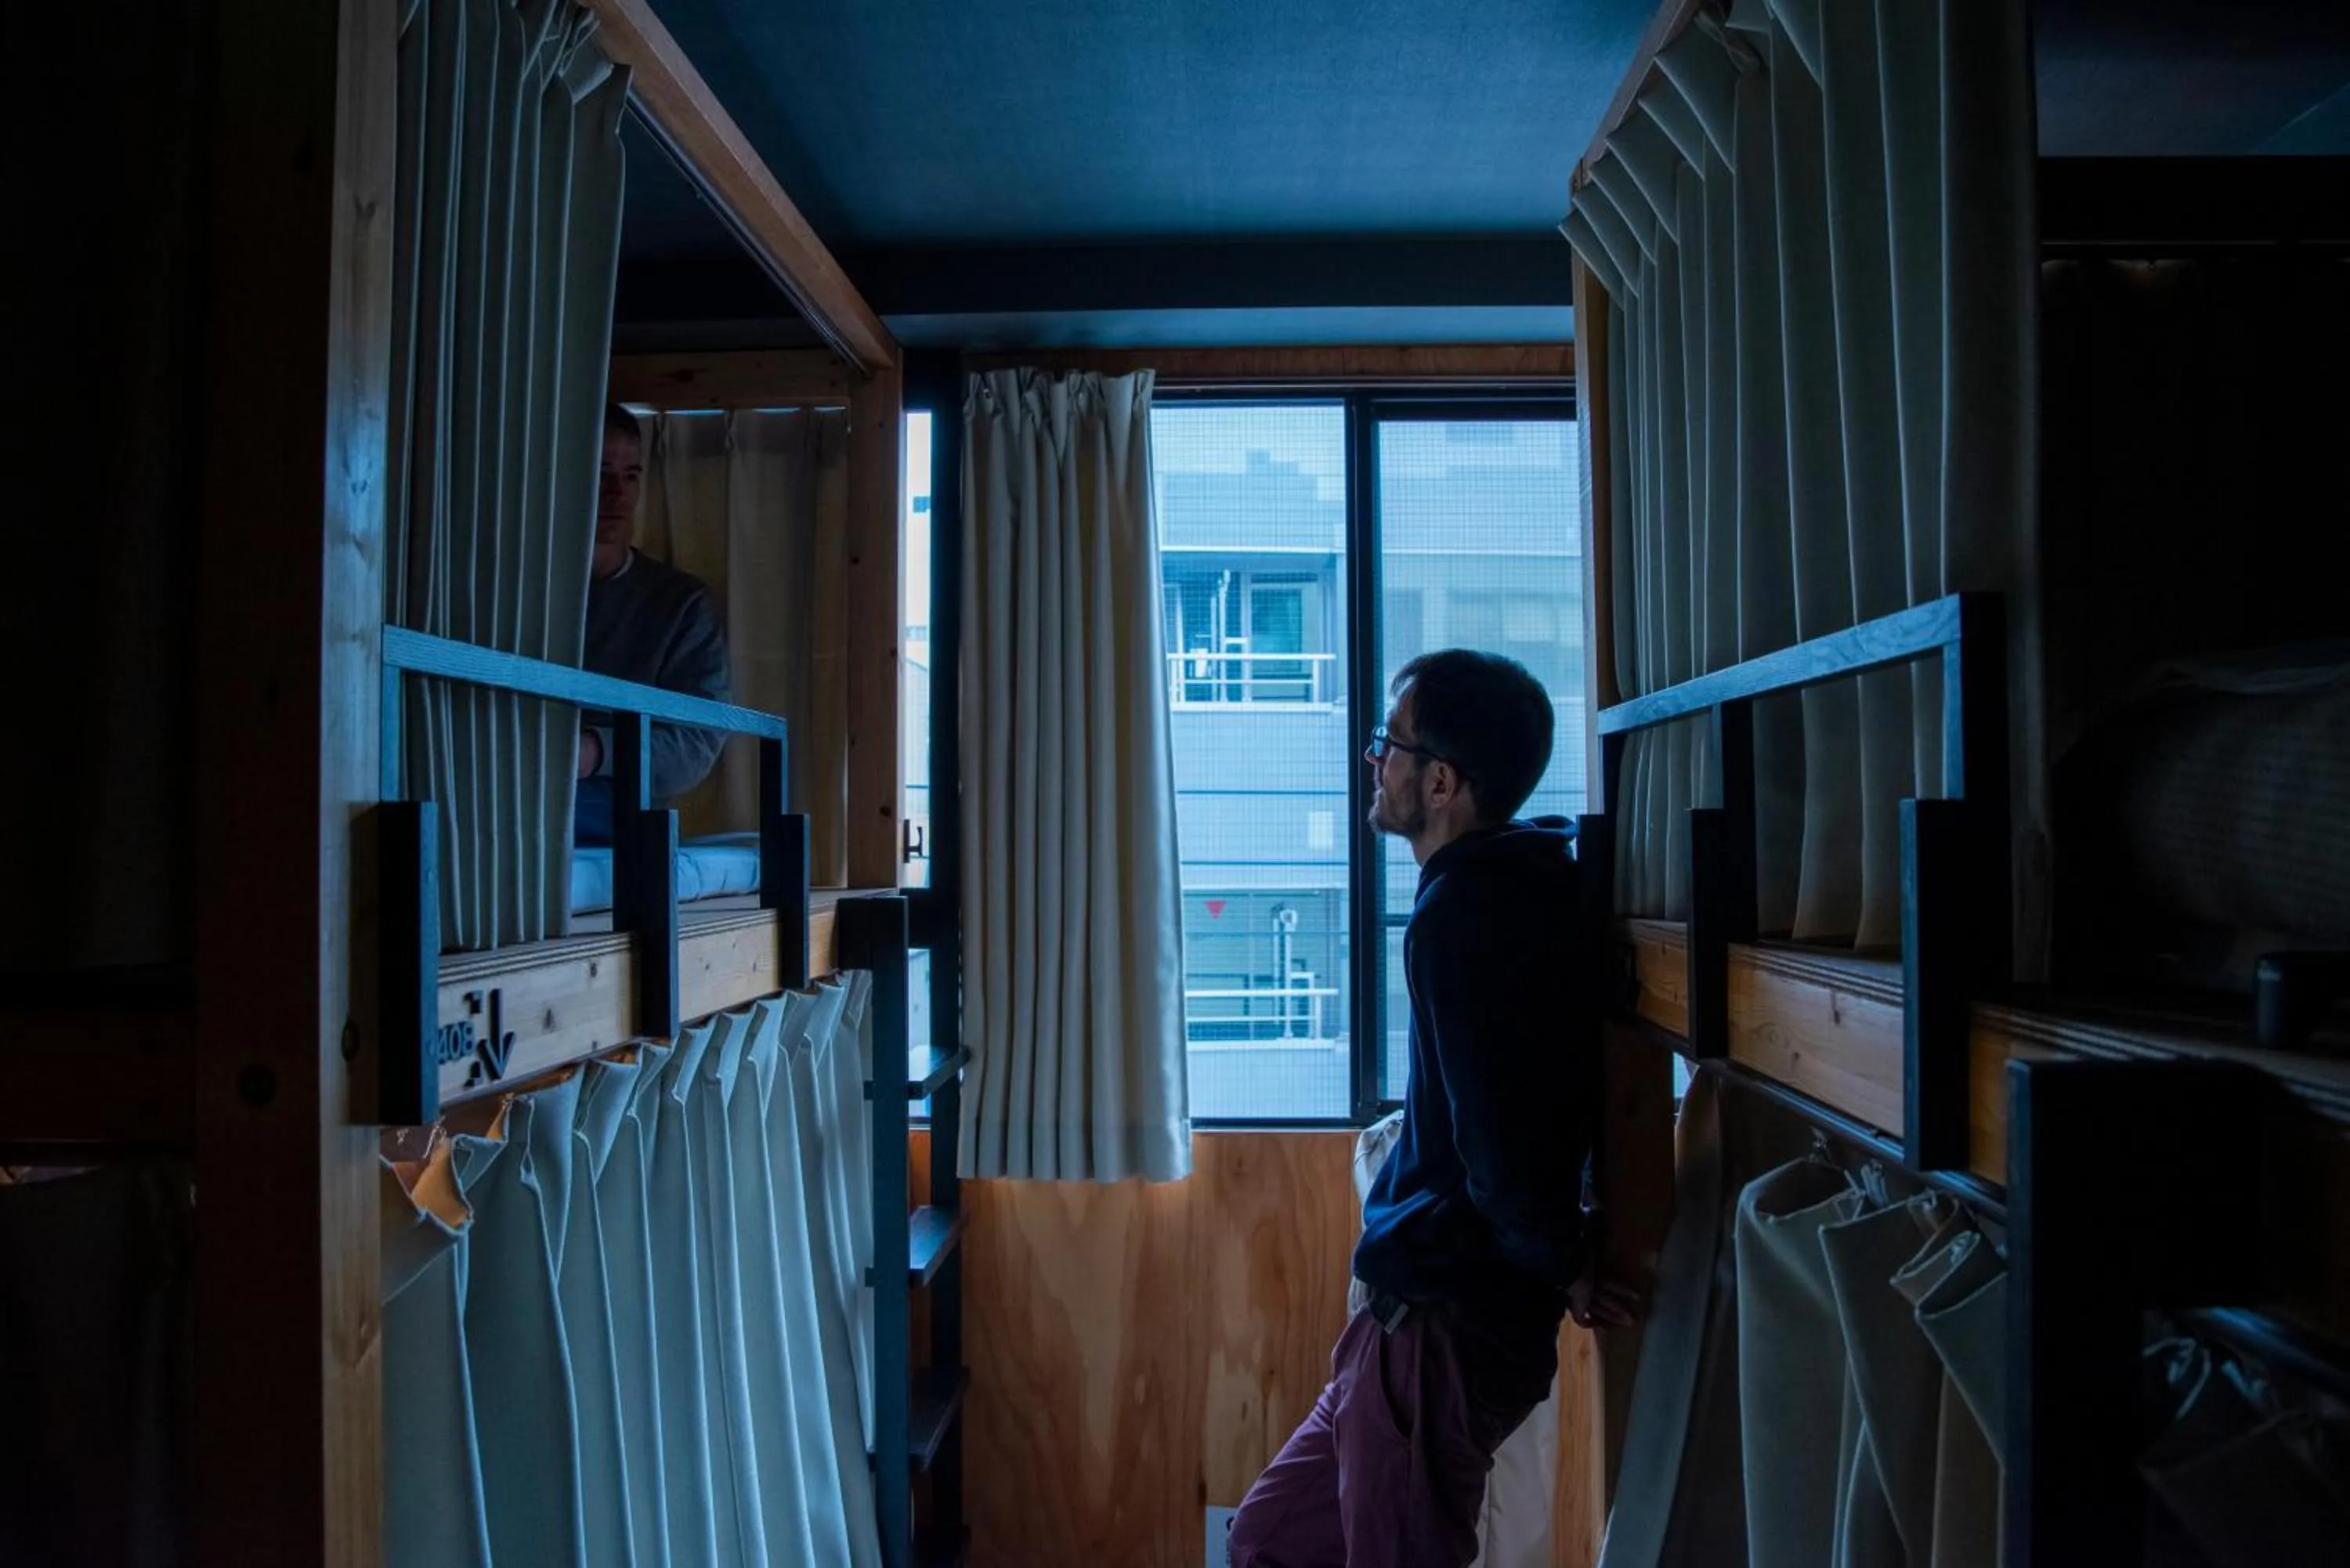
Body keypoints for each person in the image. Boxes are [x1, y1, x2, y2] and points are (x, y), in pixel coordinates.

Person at [1227, 649, 1639, 1568]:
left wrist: (1563, 1260)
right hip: (1396, 1321)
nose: (1375, 761)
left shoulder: (1467, 914)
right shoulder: (1511, 885)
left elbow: (1499, 1132)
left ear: (1442, 780)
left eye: (1390, 744)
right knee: (1268, 1535)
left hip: (1442, 1325)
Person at [574, 403, 730, 844]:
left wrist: (594, 751)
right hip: (506, 780)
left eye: (630, 476)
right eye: (600, 471)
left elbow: (696, 743)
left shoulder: (679, 604)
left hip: (610, 801)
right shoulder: (514, 595)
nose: (615, 492)